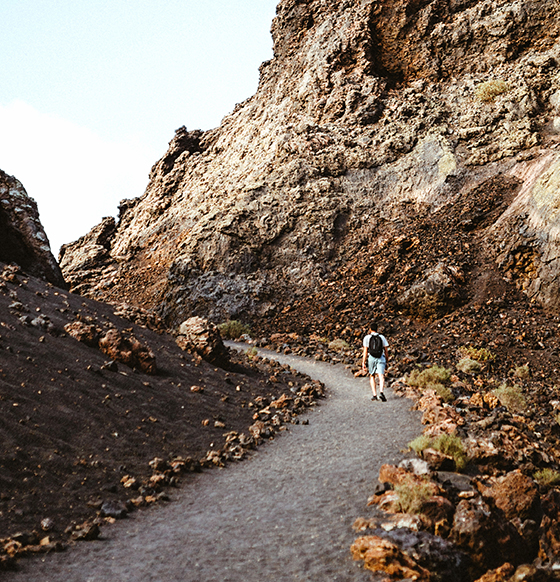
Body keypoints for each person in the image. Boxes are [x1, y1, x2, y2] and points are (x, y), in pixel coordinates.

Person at [361, 323, 389, 401]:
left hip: (371, 358)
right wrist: (387, 361)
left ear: (370, 329)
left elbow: (365, 351)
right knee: (381, 375)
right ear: (377, 329)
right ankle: (381, 392)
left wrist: (363, 362)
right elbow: (386, 350)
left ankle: (374, 395)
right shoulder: (382, 337)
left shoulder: (367, 338)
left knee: (372, 375)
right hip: (381, 357)